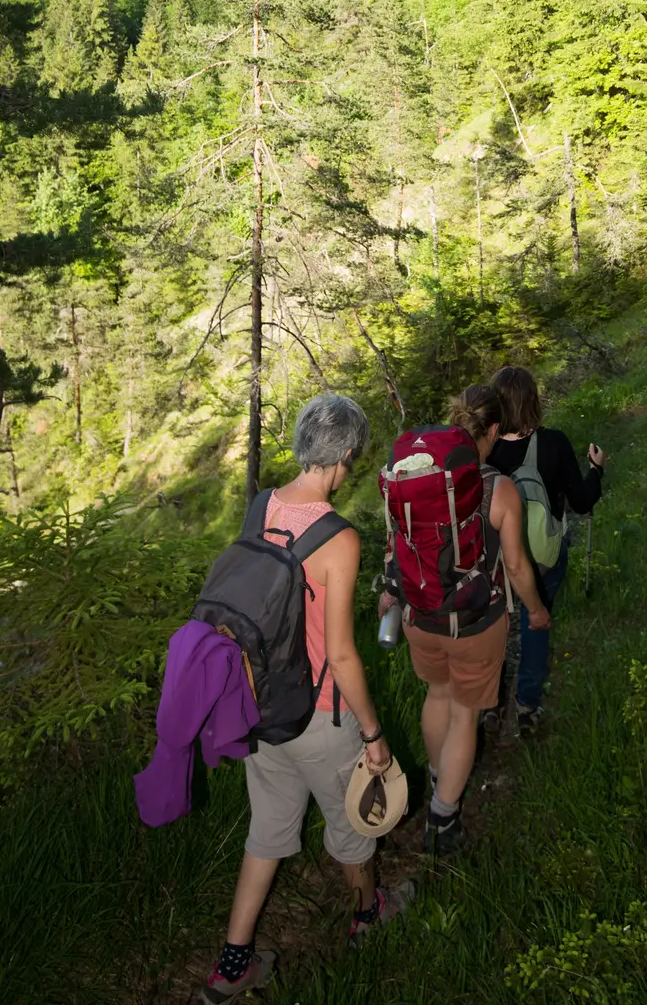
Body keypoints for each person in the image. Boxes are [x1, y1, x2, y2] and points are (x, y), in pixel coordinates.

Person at [196, 394, 411, 1003]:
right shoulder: (338, 539)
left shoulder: (260, 505)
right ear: (342, 456)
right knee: (351, 831)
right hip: (320, 717)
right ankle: (369, 913)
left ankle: (232, 965)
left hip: (259, 706)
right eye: (352, 461)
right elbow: (341, 654)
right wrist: (372, 734)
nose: (349, 472)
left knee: (266, 831)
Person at [384, 383, 548, 858]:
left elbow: (397, 543)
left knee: (437, 696)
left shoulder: (413, 479)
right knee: (465, 713)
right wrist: (536, 611)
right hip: (475, 624)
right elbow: (516, 566)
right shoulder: (499, 489)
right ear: (494, 429)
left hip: (419, 615)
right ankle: (444, 815)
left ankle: (439, 779)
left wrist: (391, 591)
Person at [488, 365, 605, 735]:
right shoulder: (553, 443)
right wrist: (596, 470)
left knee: (496, 626)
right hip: (544, 558)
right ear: (534, 401)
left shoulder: (484, 451)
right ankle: (527, 706)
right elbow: (582, 500)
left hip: (498, 562)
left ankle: (489, 704)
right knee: (536, 623)